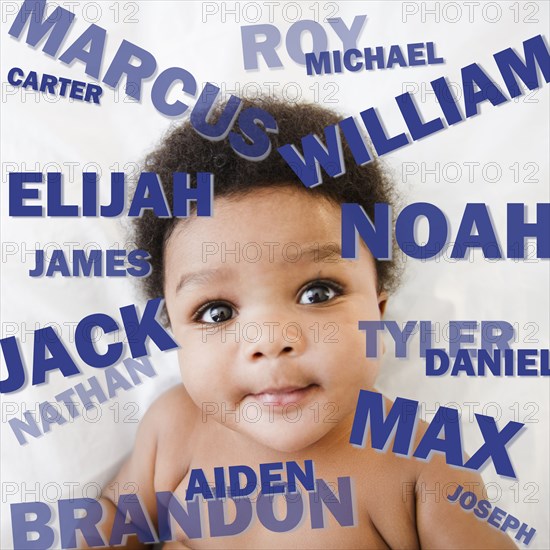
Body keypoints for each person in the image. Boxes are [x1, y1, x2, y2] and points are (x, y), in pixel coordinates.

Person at [89, 97, 517, 549]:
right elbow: (114, 522)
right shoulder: (175, 427)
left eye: (318, 293)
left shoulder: (422, 463)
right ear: (174, 333)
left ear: (379, 313)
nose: (270, 341)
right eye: (216, 312)